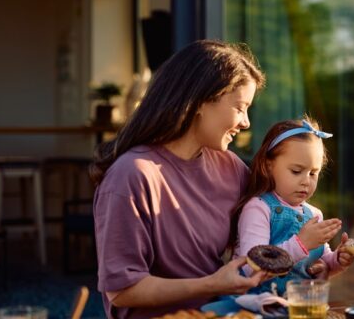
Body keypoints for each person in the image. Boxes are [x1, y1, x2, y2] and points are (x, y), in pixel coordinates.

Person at [92, 40, 268, 319]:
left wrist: (322, 258)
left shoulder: (231, 168)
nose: (246, 122)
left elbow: (271, 224)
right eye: (240, 107)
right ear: (201, 101)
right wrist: (212, 284)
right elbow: (123, 291)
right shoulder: (131, 176)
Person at [228, 116, 354, 295]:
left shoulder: (314, 215)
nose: (306, 181)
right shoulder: (258, 208)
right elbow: (251, 267)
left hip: (296, 304)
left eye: (313, 173)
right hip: (253, 303)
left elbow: (321, 263)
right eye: (296, 171)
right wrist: (301, 244)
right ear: (268, 166)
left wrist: (338, 259)